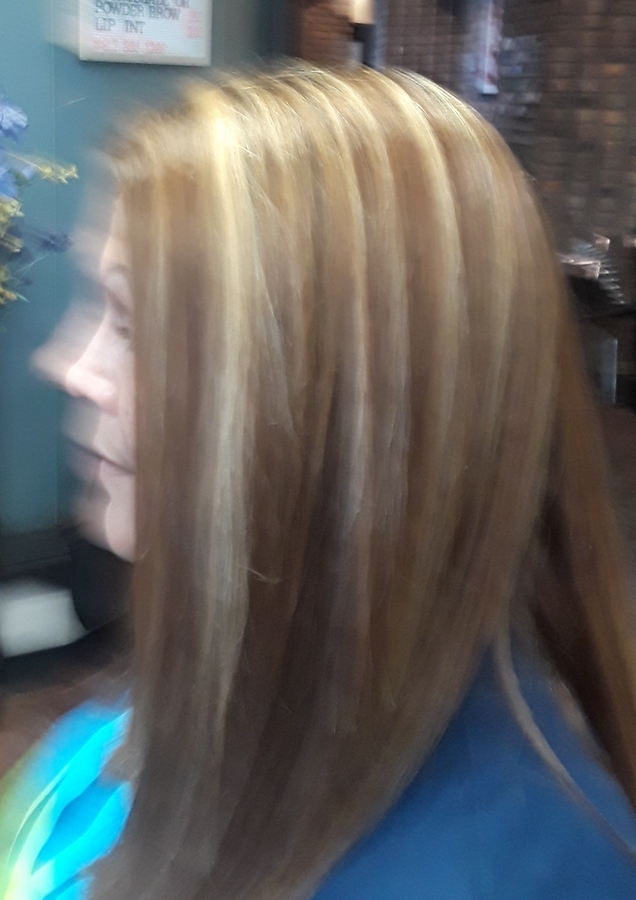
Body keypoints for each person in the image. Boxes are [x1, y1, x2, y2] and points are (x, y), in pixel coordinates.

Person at [2, 64, 636, 900]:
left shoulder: (501, 871)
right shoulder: (206, 707)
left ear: (335, 407)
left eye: (131, 323)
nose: (71, 368)